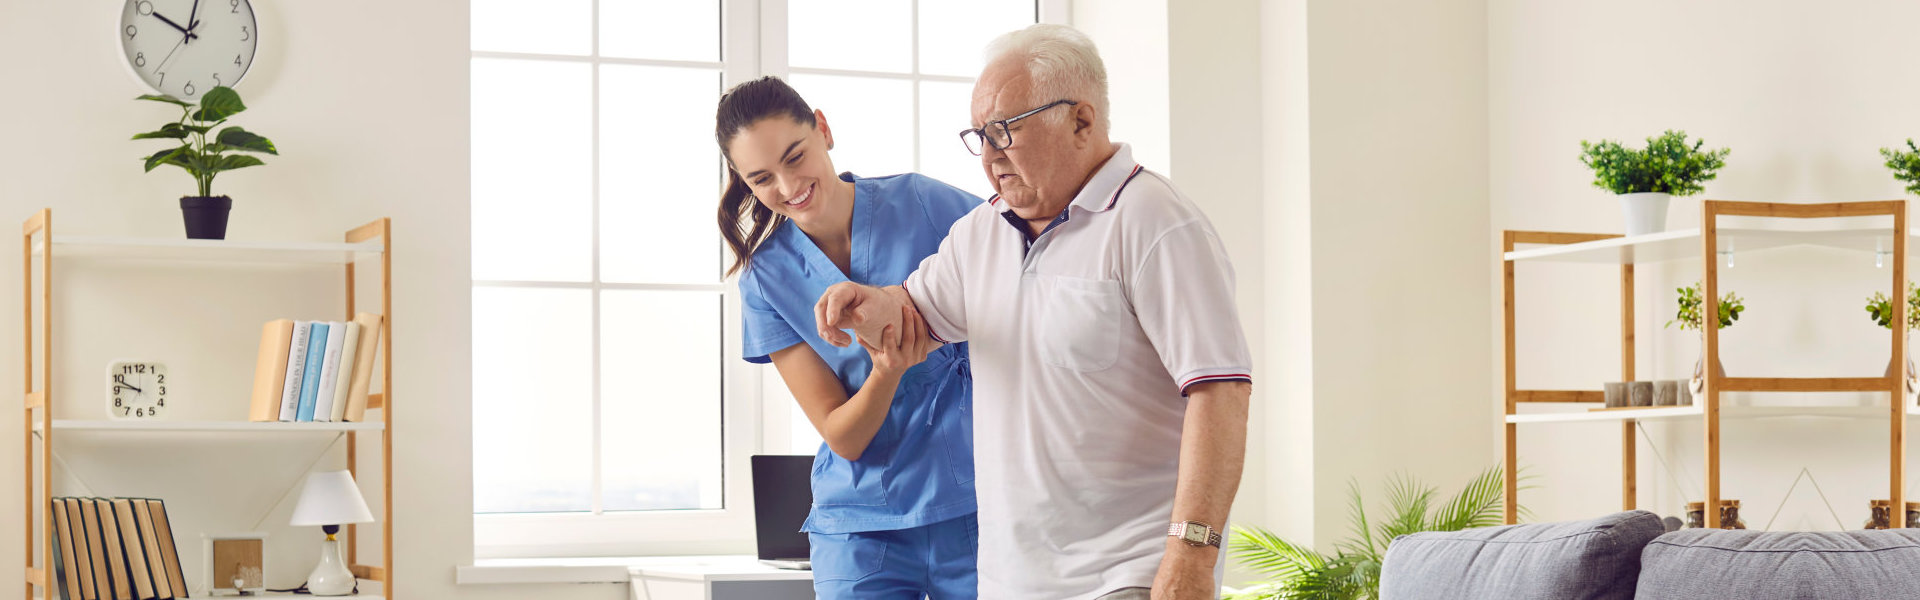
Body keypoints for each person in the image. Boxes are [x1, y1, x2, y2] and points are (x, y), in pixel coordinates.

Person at [813, 25, 1253, 600]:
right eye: (979, 136)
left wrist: (1192, 556)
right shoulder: (979, 234)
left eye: (1005, 132)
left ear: (1081, 121)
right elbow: (912, 321)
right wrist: (868, 305)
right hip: (1009, 581)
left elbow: (1221, 392)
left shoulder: (1156, 224)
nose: (990, 156)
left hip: (1128, 576)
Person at [714, 76, 983, 599]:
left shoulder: (927, 204)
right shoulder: (765, 280)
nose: (789, 187)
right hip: (861, 526)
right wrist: (888, 369)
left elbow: (1027, 259)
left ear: (824, 129)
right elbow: (844, 435)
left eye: (795, 156)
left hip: (975, 505)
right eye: (762, 178)